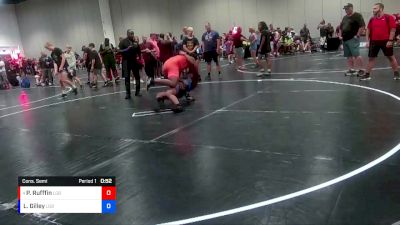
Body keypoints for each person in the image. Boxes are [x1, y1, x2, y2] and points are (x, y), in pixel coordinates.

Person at [361, 3, 399, 80]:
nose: (373, 10)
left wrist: (390, 40)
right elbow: (368, 30)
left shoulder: (388, 17)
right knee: (371, 58)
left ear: (381, 9)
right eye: (373, 8)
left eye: (375, 8)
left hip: (386, 41)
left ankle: (396, 73)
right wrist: (367, 41)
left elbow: (393, 30)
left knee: (391, 57)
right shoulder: (372, 19)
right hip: (374, 41)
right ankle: (367, 74)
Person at [339, 3, 366, 76]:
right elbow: (341, 27)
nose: (346, 10)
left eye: (347, 8)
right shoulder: (345, 17)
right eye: (345, 9)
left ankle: (361, 70)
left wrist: (357, 35)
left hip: (353, 38)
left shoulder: (357, 15)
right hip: (345, 39)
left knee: (356, 54)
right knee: (348, 56)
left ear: (351, 8)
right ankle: (351, 70)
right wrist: (340, 35)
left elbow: (362, 26)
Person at [118, 29, 142, 99]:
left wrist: (139, 58)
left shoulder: (135, 42)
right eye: (131, 34)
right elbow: (119, 51)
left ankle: (137, 92)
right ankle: (128, 93)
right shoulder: (122, 42)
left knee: (137, 76)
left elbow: (139, 51)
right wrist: (127, 49)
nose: (132, 35)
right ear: (127, 34)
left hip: (134, 61)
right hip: (125, 61)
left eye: (133, 34)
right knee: (127, 77)